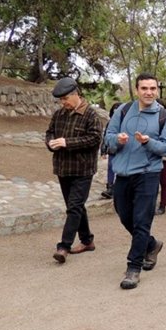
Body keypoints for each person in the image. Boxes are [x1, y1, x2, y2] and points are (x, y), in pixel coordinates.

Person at [104, 73, 166, 290]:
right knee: (125, 216)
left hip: (148, 174)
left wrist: (148, 142)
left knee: (142, 220)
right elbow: (108, 138)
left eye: (153, 88)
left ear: (157, 90)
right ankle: (152, 245)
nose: (149, 92)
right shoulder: (123, 111)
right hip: (123, 175)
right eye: (144, 88)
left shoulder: (164, 116)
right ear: (137, 90)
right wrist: (117, 140)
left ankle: (133, 268)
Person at [45, 77, 103, 263]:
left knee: (74, 207)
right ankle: (87, 241)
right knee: (76, 207)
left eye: (65, 99)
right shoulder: (59, 115)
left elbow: (94, 139)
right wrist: (51, 143)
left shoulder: (91, 115)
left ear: (75, 94)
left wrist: (67, 142)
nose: (63, 103)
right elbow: (50, 132)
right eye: (60, 100)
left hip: (83, 169)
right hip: (63, 168)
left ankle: (63, 247)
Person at [100, 102, 122, 200]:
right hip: (112, 149)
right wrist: (103, 150)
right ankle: (110, 188)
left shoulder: (126, 122)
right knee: (111, 168)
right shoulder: (110, 123)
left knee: (119, 169)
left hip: (122, 150)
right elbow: (105, 137)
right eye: (115, 109)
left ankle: (117, 188)